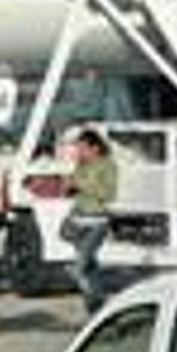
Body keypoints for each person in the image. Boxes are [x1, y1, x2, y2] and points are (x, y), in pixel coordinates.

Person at [66, 129, 119, 314]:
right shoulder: (81, 165)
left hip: (98, 222)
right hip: (78, 221)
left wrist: (81, 185)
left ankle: (98, 303)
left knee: (78, 268)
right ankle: (94, 308)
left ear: (94, 148)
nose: (79, 153)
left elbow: (109, 194)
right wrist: (69, 186)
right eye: (78, 149)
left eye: (82, 148)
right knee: (90, 268)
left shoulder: (108, 165)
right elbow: (73, 188)